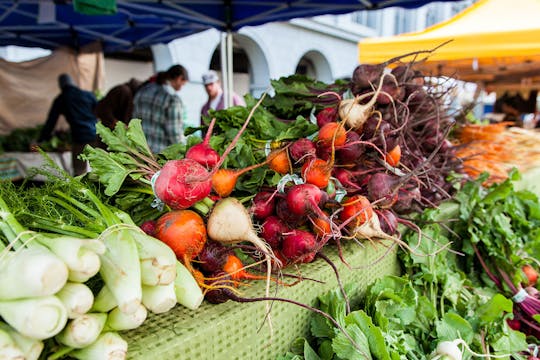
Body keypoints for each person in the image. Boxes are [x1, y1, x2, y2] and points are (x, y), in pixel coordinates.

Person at [36, 73, 98, 176]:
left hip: (80, 138)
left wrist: (42, 139)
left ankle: (81, 192)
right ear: (73, 83)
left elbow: (51, 122)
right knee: (99, 170)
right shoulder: (88, 94)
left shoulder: (61, 99)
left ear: (61, 86)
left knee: (79, 172)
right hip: (95, 135)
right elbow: (99, 111)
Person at [132, 64, 189, 153]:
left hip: (140, 152)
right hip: (161, 155)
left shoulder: (142, 91)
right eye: (182, 84)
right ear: (179, 78)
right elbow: (174, 133)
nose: (180, 88)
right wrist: (185, 151)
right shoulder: (172, 99)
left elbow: (134, 123)